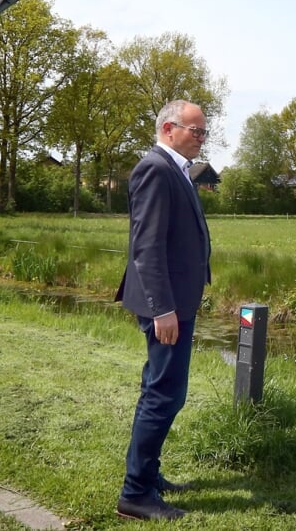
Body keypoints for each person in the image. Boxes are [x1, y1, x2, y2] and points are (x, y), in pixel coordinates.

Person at [114, 99, 211, 521]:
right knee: (165, 394)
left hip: (176, 301)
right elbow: (147, 246)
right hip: (166, 306)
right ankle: (135, 493)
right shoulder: (156, 168)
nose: (202, 138)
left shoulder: (176, 169)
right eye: (196, 130)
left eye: (204, 131)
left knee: (160, 390)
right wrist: (162, 309)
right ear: (169, 129)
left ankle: (148, 476)